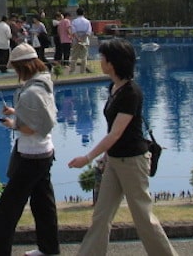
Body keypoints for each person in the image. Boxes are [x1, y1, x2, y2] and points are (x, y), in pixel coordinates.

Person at [68, 38, 178, 256]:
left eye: (103, 57)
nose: (100, 60)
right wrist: (106, 156)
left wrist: (88, 157)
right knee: (101, 216)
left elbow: (116, 132)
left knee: (143, 218)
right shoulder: (114, 88)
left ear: (113, 62)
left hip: (132, 162)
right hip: (115, 161)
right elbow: (113, 133)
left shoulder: (131, 93)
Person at [0, 43, 59, 256]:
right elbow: (41, 115)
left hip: (31, 155)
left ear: (22, 66)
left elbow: (30, 128)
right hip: (45, 150)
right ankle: (49, 248)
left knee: (8, 207)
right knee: (43, 204)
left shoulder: (30, 91)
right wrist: (16, 111)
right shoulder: (44, 83)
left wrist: (12, 123)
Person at [69, 8, 93, 73]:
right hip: (85, 39)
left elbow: (73, 31)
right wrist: (83, 38)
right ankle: (82, 71)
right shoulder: (87, 21)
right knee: (84, 56)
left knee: (74, 56)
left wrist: (78, 38)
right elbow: (88, 31)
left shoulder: (74, 21)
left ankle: (72, 70)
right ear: (83, 13)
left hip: (76, 39)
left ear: (77, 13)